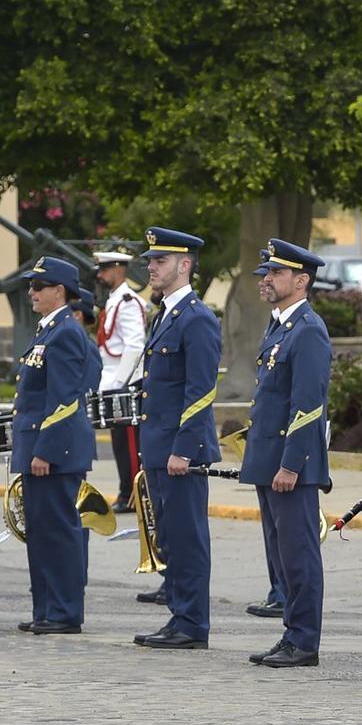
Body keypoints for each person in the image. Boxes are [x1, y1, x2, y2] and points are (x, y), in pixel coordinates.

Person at [240, 240, 332, 667]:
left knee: (298, 556)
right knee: (281, 556)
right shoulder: (279, 327)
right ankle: (291, 633)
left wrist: (291, 463)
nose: (266, 281)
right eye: (266, 274)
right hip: (269, 459)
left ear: (301, 281)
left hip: (289, 463)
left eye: (275, 274)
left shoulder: (308, 329)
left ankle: (304, 641)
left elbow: (308, 404)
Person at [6, 258, 103, 635]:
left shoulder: (64, 332)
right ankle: (46, 608)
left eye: (38, 286)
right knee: (42, 531)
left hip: (54, 451)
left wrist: (45, 449)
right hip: (39, 446)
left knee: (58, 532)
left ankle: (64, 612)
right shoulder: (50, 330)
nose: (31, 292)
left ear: (59, 291)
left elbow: (63, 399)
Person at [134, 228, 220, 650]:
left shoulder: (197, 318)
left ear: (185, 265)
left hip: (181, 450)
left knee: (187, 537)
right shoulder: (165, 314)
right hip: (160, 444)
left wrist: (184, 448)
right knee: (170, 535)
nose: (151, 267)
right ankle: (179, 615)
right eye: (150, 260)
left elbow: (200, 390)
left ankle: (192, 623)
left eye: (160, 261)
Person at [94, 248, 147, 513]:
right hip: (113, 379)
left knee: (129, 445)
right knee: (120, 443)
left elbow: (135, 346)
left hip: (125, 382)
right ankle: (127, 491)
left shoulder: (127, 301)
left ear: (118, 270)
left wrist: (121, 384)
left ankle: (133, 494)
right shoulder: (115, 299)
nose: (101, 275)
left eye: (104, 270)